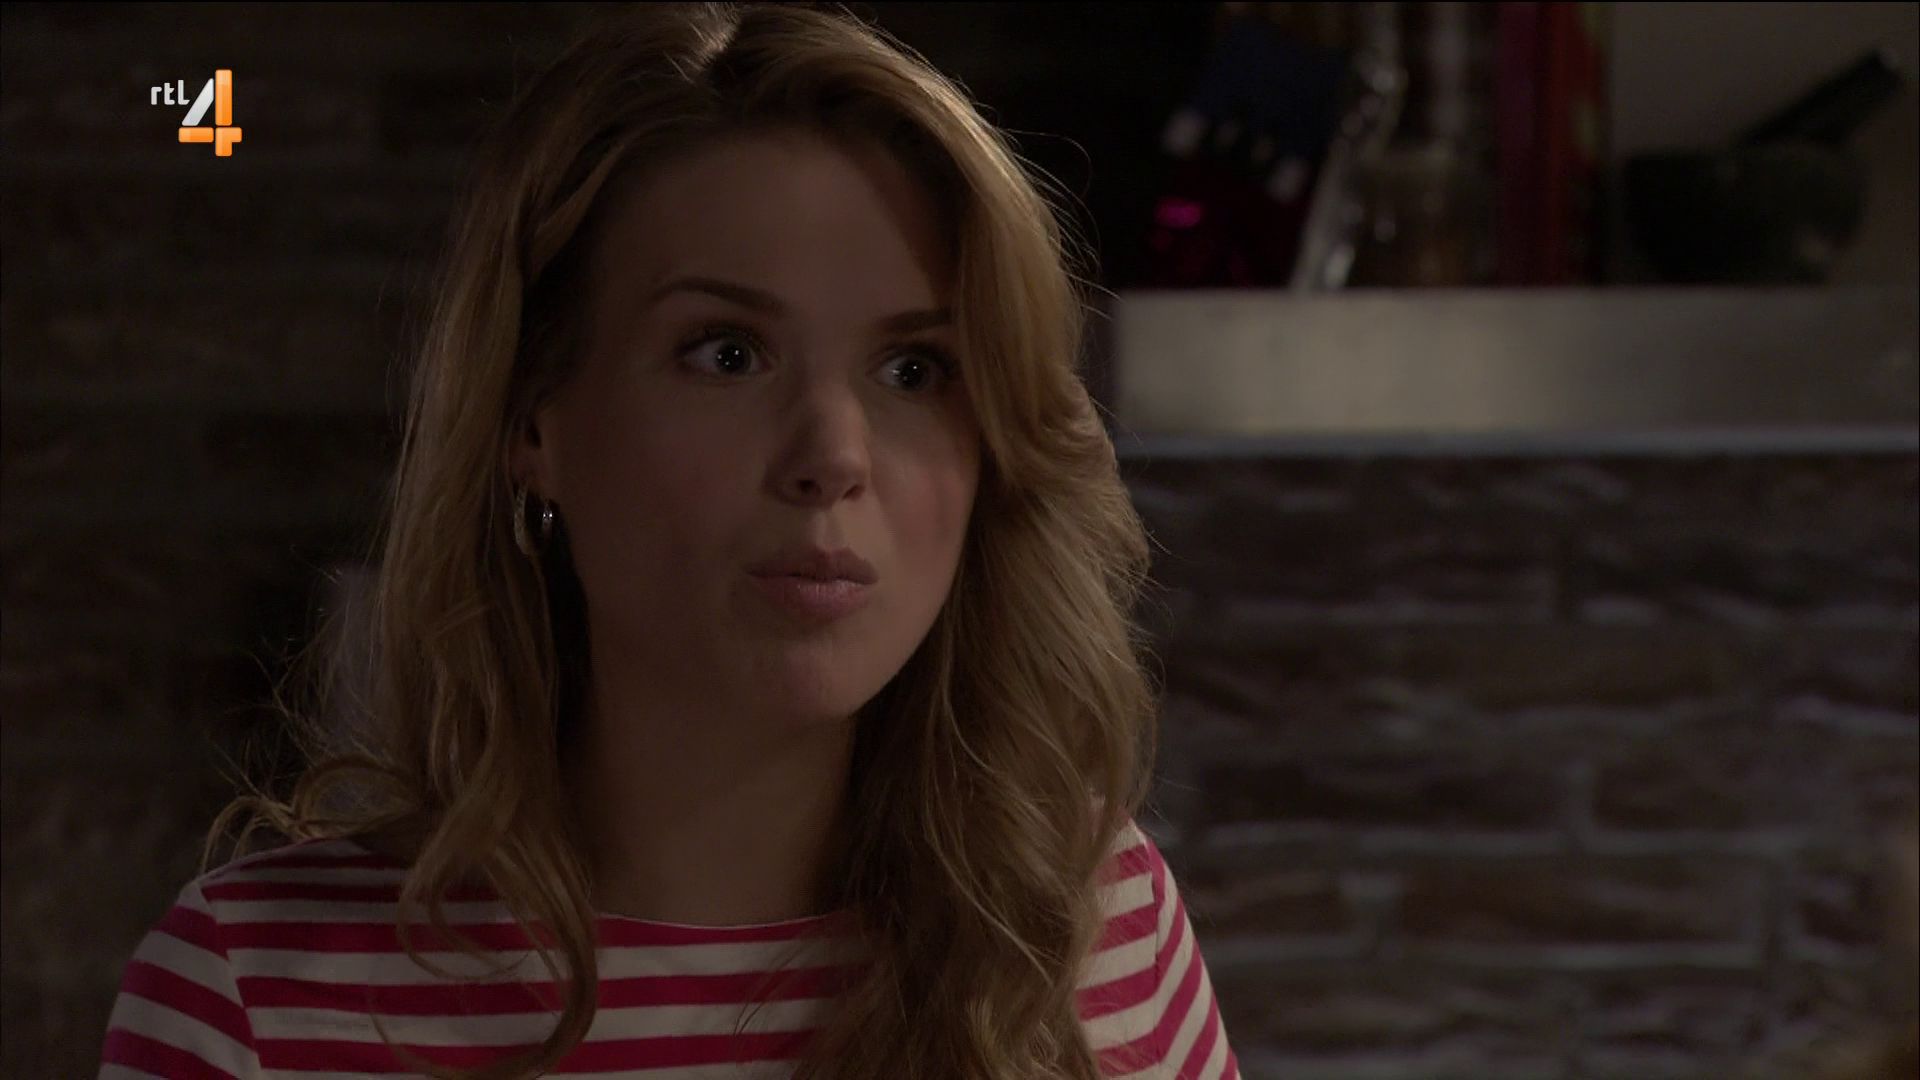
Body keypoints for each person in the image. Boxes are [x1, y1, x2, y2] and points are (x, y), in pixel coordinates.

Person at [97, 3, 1242, 1079]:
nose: (833, 455)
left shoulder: (1092, 933)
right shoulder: (256, 998)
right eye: (727, 354)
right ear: (533, 421)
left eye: (912, 369)